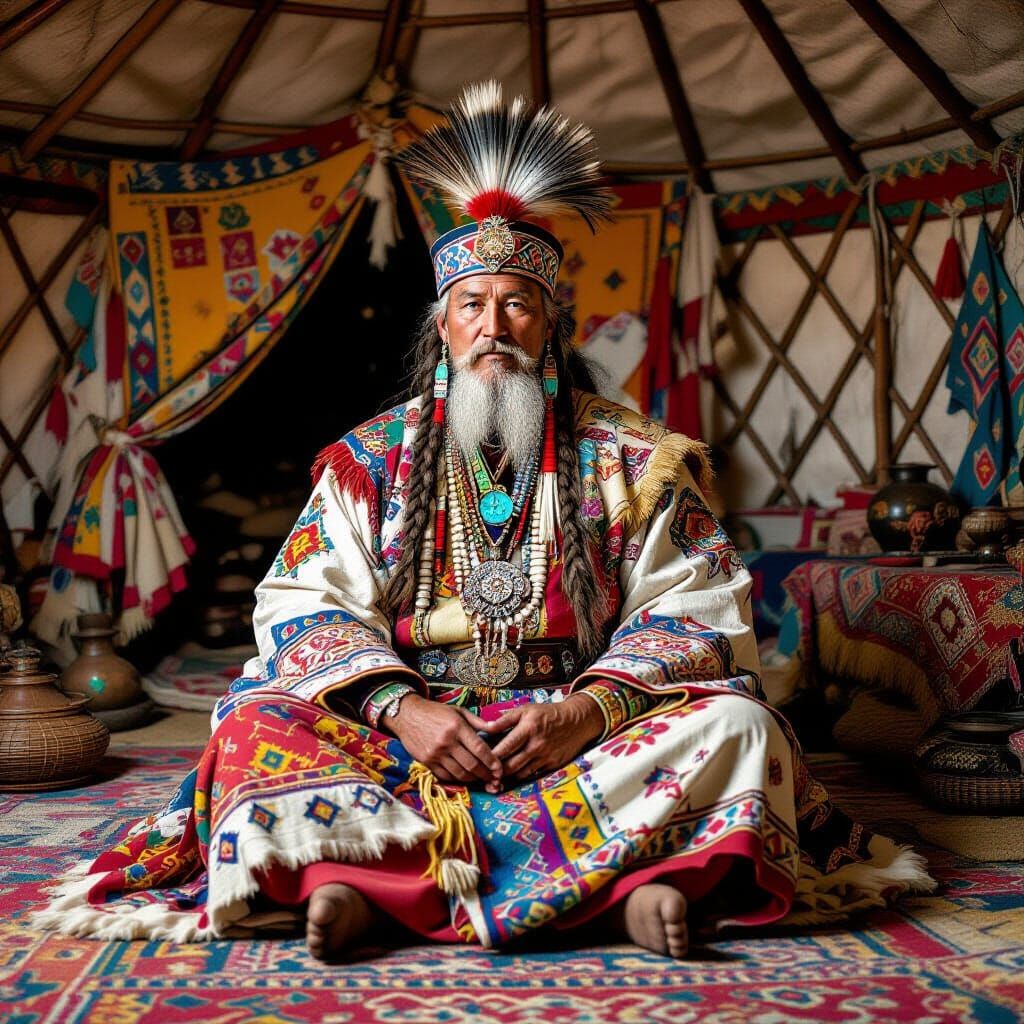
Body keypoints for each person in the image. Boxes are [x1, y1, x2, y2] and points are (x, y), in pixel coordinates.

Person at [35, 82, 933, 960]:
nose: (493, 324)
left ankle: (385, 886)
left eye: (516, 303)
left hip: (583, 730)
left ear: (552, 322)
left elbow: (696, 609)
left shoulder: (634, 459)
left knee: (739, 729)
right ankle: (611, 883)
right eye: (472, 304)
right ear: (444, 325)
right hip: (415, 729)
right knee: (249, 725)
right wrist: (402, 709)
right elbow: (302, 603)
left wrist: (589, 710)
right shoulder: (370, 459)